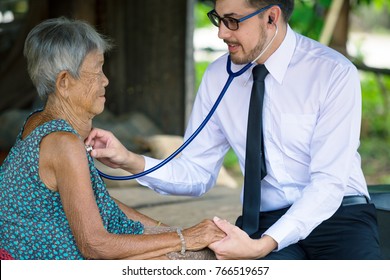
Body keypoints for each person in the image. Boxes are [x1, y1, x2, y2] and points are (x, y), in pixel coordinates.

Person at [86, 0, 382, 259]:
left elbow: (328, 184)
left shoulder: (332, 72)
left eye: (232, 21)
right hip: (263, 221)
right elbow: (197, 173)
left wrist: (265, 245)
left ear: (271, 17)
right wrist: (128, 159)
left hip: (339, 214)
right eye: (218, 19)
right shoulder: (218, 77)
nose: (221, 33)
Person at [0, 17, 225, 260]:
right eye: (97, 71)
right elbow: (95, 246)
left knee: (197, 253)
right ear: (64, 82)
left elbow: (99, 204)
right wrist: (184, 239)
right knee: (200, 261)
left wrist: (171, 232)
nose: (105, 80)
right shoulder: (63, 142)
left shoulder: (37, 121)